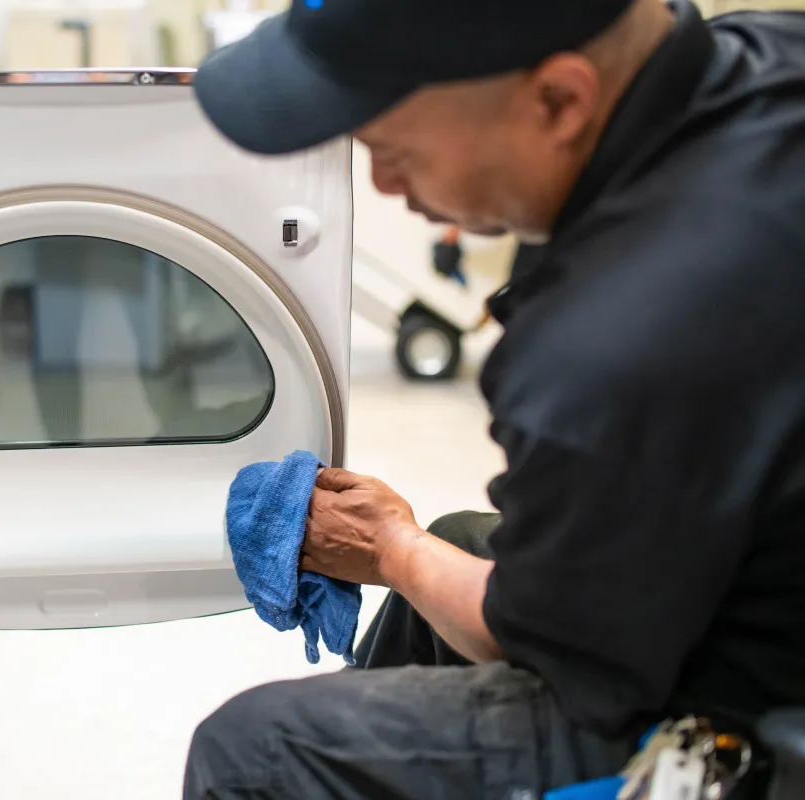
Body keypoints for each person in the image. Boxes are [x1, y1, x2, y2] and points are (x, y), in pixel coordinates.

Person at [182, 0, 805, 797]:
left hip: (754, 726)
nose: (380, 180)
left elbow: (558, 654)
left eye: (390, 147)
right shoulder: (758, 57)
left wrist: (386, 547)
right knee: (458, 542)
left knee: (256, 751)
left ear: (559, 101)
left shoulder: (616, 341)